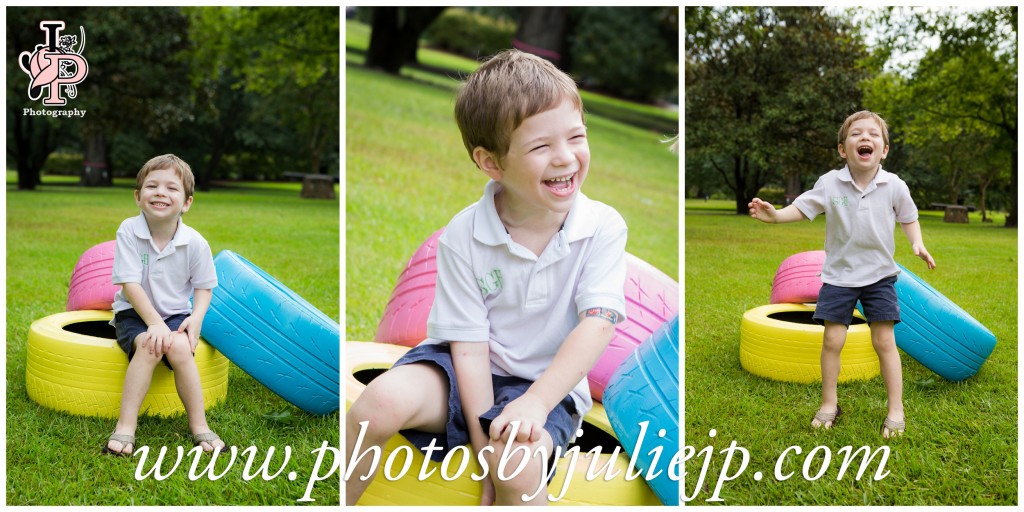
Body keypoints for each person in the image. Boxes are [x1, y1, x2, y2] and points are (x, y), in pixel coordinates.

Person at [346, 49, 627, 505]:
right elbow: (469, 347)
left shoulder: (602, 227)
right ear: (492, 162)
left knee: (514, 465)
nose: (566, 158)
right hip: (460, 369)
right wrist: (481, 450)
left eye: (576, 137)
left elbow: (598, 323)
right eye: (541, 147)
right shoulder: (465, 233)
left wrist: (534, 405)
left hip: (546, 384)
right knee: (375, 406)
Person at [748, 110, 936, 439]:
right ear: (842, 149)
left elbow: (908, 216)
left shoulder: (893, 185)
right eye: (856, 134)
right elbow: (804, 207)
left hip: (879, 276)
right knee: (832, 340)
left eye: (873, 135)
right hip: (838, 277)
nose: (865, 138)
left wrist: (917, 243)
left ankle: (896, 408)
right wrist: (775, 216)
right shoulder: (831, 184)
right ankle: (829, 404)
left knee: (884, 341)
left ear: (885, 150)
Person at [103, 154, 224, 456]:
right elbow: (129, 285)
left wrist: (195, 318)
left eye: (172, 188)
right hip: (134, 313)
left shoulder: (195, 242)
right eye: (152, 185)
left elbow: (204, 286)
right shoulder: (129, 231)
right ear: (138, 196)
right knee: (149, 346)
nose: (160, 192)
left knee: (181, 348)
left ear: (186, 203)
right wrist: (154, 323)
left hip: (175, 314)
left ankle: (199, 426)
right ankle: (126, 426)